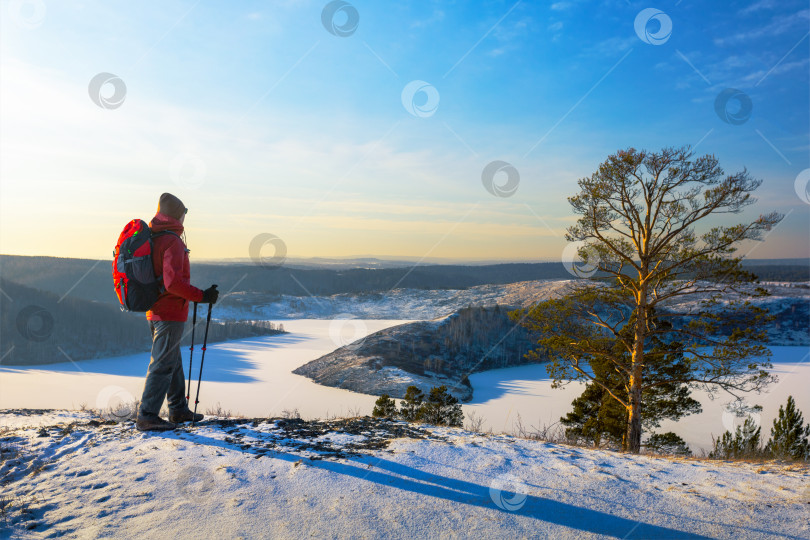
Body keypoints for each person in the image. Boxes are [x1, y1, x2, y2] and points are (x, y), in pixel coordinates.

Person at [135, 193, 219, 432]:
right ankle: (147, 415)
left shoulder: (154, 237)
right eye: (183, 213)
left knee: (172, 361)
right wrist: (202, 296)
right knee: (162, 364)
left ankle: (178, 409)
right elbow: (173, 283)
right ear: (178, 215)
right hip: (169, 312)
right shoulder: (172, 241)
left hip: (155, 310)